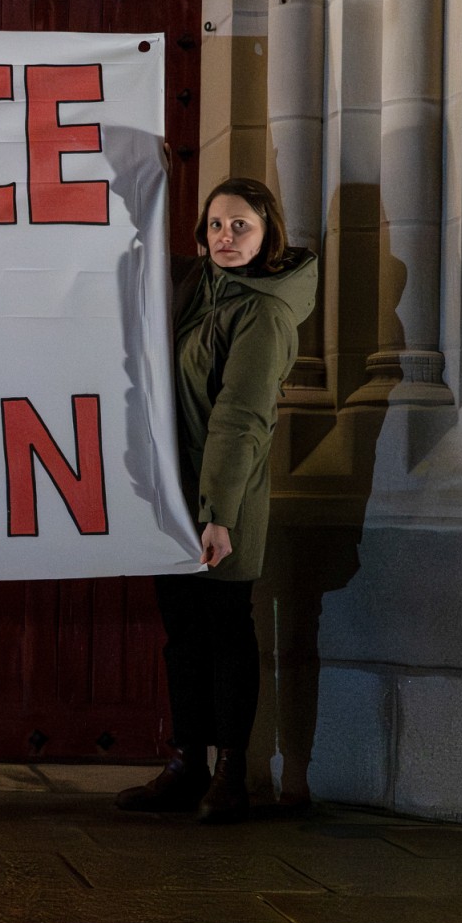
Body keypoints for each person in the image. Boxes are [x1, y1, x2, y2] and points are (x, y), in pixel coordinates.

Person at [116, 177, 317, 825]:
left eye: (240, 226)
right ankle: (186, 764)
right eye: (215, 225)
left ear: (267, 234)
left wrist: (219, 516)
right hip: (172, 494)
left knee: (225, 630)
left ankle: (231, 773)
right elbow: (125, 251)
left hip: (223, 499)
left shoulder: (262, 312)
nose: (226, 237)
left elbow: (241, 419)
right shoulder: (197, 286)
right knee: (181, 634)